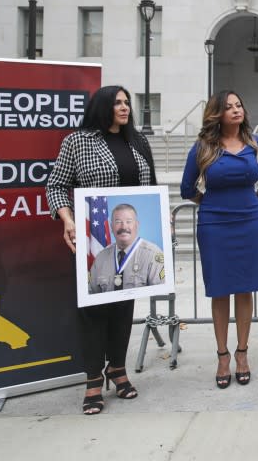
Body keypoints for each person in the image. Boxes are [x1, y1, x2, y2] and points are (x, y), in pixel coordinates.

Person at [46, 85, 157, 415]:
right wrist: (66, 219)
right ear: (102, 106)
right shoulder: (77, 141)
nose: (124, 108)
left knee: (123, 307)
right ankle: (93, 379)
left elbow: (149, 186)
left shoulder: (137, 141)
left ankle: (118, 369)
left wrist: (159, 211)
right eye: (118, 103)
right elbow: (55, 184)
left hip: (127, 242)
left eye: (126, 102)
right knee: (93, 310)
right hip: (92, 241)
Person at [180, 90, 258, 389]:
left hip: (249, 222)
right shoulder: (203, 147)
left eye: (239, 105)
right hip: (214, 224)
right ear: (217, 114)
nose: (236, 110)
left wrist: (248, 204)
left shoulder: (255, 144)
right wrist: (212, 205)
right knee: (219, 291)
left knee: (245, 289)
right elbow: (187, 189)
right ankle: (222, 356)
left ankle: (242, 353)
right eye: (229, 107)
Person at [89, 203, 165, 294]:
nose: (124, 227)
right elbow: (91, 294)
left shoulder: (153, 255)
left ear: (137, 225)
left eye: (128, 221)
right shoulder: (101, 258)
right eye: (118, 222)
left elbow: (160, 296)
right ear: (111, 227)